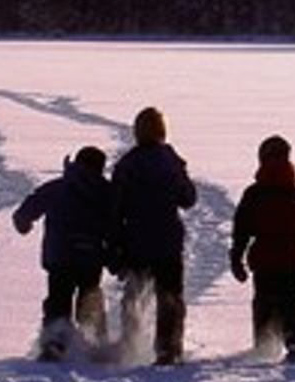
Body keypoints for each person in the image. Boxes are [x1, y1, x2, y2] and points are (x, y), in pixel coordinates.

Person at [13, 145, 118, 360]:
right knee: (90, 298)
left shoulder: (57, 188)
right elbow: (114, 228)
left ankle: (54, 344)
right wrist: (115, 255)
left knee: (58, 300)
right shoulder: (107, 193)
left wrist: (23, 223)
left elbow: (27, 210)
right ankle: (97, 345)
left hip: (60, 256)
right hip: (91, 256)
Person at [111, 106, 197, 364]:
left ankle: (129, 345)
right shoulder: (171, 162)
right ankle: (168, 349)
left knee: (133, 295)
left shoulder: (127, 164)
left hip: (136, 240)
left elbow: (115, 208)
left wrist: (115, 243)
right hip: (168, 241)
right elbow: (188, 198)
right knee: (169, 296)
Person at [229, 134, 295, 363]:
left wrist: (236, 259)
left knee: (265, 302)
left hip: (265, 262)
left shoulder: (254, 194)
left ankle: (265, 345)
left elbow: (241, 230)